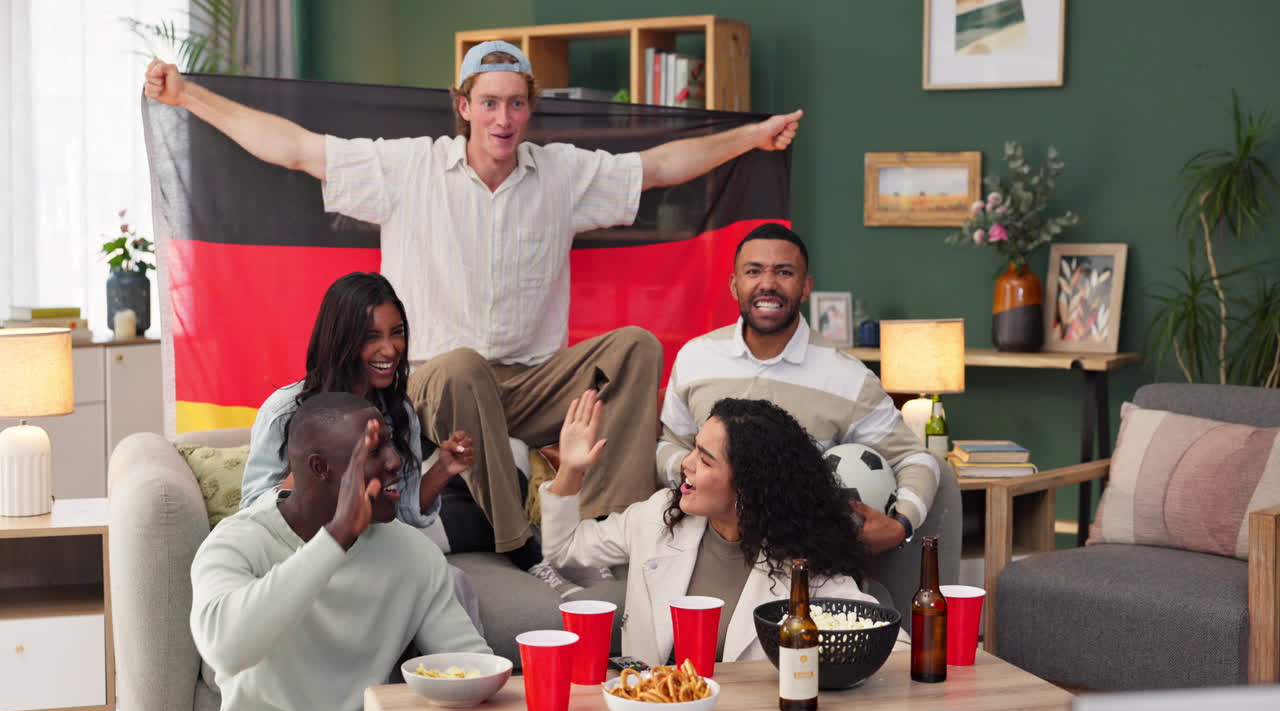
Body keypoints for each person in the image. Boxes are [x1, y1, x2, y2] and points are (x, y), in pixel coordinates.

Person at [143, 43, 802, 591]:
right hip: (441, 380)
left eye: (516, 102)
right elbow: (296, 149)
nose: (503, 117)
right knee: (459, 364)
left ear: (529, 110)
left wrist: (753, 137)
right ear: (464, 107)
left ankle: (611, 537)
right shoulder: (410, 168)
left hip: (534, 380)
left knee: (633, 347)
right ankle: (521, 544)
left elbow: (658, 169)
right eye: (488, 102)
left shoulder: (561, 175)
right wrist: (187, 98)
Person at [191, 392, 491, 711]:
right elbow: (225, 650)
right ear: (320, 467)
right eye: (374, 451)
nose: (395, 462)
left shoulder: (414, 553)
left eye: (390, 445)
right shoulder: (237, 542)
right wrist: (336, 538)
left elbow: (473, 671)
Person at [541, 391, 888, 667]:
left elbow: (883, 639)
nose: (686, 464)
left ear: (749, 488)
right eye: (693, 448)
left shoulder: (804, 564)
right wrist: (570, 469)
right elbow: (565, 549)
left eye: (706, 460)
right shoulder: (659, 514)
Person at [656, 223, 940, 554]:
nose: (767, 284)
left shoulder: (848, 378)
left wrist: (902, 524)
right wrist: (708, 483)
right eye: (753, 271)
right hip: (703, 547)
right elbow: (669, 445)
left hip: (802, 559)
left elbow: (916, 459)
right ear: (735, 285)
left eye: (784, 272)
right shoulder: (695, 357)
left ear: (805, 287)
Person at [240, 271, 494, 623]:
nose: (389, 349)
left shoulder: (399, 411)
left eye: (397, 333)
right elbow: (251, 511)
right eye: (371, 336)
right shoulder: (284, 411)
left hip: (378, 554)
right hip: (306, 559)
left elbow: (402, 513)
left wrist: (442, 470)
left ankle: (461, 677)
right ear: (341, 340)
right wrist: (320, 464)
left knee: (454, 585)